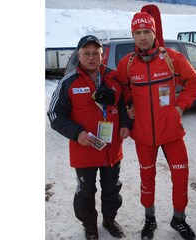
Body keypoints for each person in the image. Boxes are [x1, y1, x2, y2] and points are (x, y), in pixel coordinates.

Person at [116, 12, 196, 240]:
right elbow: (123, 89)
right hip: (143, 135)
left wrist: (179, 108)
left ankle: (179, 218)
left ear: (155, 33)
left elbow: (194, 82)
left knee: (181, 175)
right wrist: (129, 101)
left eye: (147, 32)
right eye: (138, 33)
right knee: (147, 177)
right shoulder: (127, 64)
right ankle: (150, 218)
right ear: (132, 35)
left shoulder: (171, 58)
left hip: (172, 132)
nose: (142, 37)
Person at [47, 35, 132, 240]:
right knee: (86, 192)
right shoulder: (69, 81)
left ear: (102, 55)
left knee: (112, 189)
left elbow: (124, 105)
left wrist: (126, 124)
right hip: (84, 149)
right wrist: (77, 133)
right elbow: (54, 114)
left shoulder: (114, 77)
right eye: (87, 53)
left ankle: (109, 220)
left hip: (112, 150)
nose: (92, 57)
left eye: (96, 53)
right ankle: (90, 226)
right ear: (79, 55)